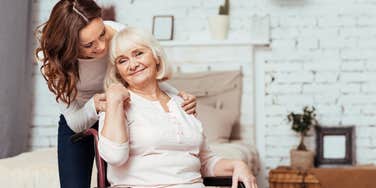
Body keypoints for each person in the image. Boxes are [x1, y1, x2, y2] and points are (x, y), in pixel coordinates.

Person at [34, 1, 197, 187]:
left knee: (117, 179)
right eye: (89, 45)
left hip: (119, 112)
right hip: (80, 116)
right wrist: (94, 105)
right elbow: (74, 122)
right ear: (69, 46)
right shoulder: (51, 60)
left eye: (102, 33)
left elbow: (144, 74)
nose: (102, 46)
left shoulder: (120, 35)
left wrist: (178, 99)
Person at [98, 27, 258, 188]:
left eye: (138, 53)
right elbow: (114, 156)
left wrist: (238, 165)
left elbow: (205, 161)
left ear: (156, 56)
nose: (132, 65)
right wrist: (114, 100)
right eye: (122, 60)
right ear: (117, 71)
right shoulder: (116, 105)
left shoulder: (182, 103)